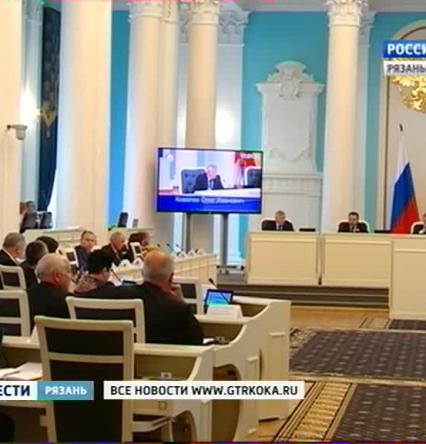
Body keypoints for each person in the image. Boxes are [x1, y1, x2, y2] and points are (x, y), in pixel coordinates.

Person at [82, 250, 203, 346]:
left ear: (142, 273)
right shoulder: (177, 308)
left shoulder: (110, 294)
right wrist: (180, 301)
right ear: (171, 277)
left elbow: (82, 298)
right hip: (158, 365)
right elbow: (196, 341)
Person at [27, 254, 72, 329]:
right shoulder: (66, 302)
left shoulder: (24, 296)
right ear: (57, 276)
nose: (71, 277)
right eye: (69, 271)